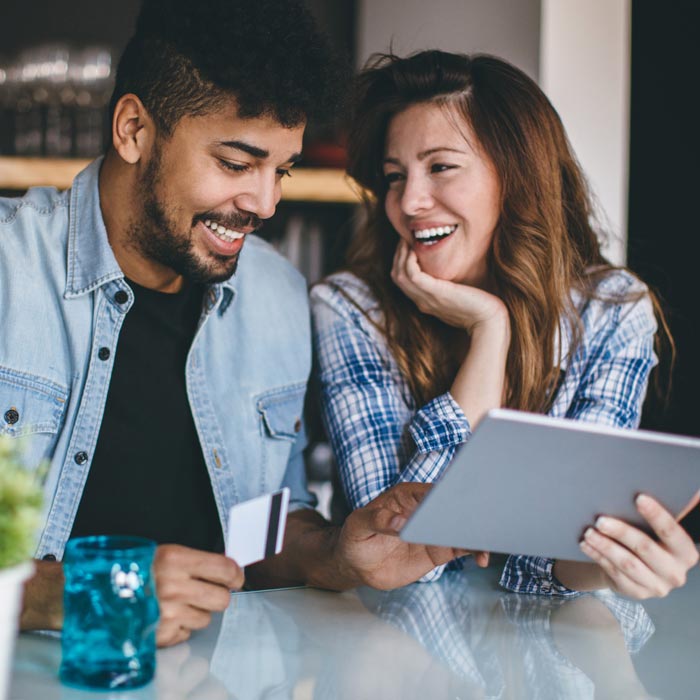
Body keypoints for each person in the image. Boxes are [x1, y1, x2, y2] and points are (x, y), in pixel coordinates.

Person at [1, 4, 469, 648]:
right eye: (235, 163)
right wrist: (84, 593)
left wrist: (334, 555)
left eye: (283, 170)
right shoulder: (8, 271)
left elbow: (260, 531)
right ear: (134, 128)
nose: (266, 203)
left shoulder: (276, 294)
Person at [311, 50, 699, 599]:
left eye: (440, 167)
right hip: (394, 653)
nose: (410, 202)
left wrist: (622, 563)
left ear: (515, 177)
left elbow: (572, 547)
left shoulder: (612, 309)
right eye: (395, 177)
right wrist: (488, 334)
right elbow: (397, 553)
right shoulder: (351, 306)